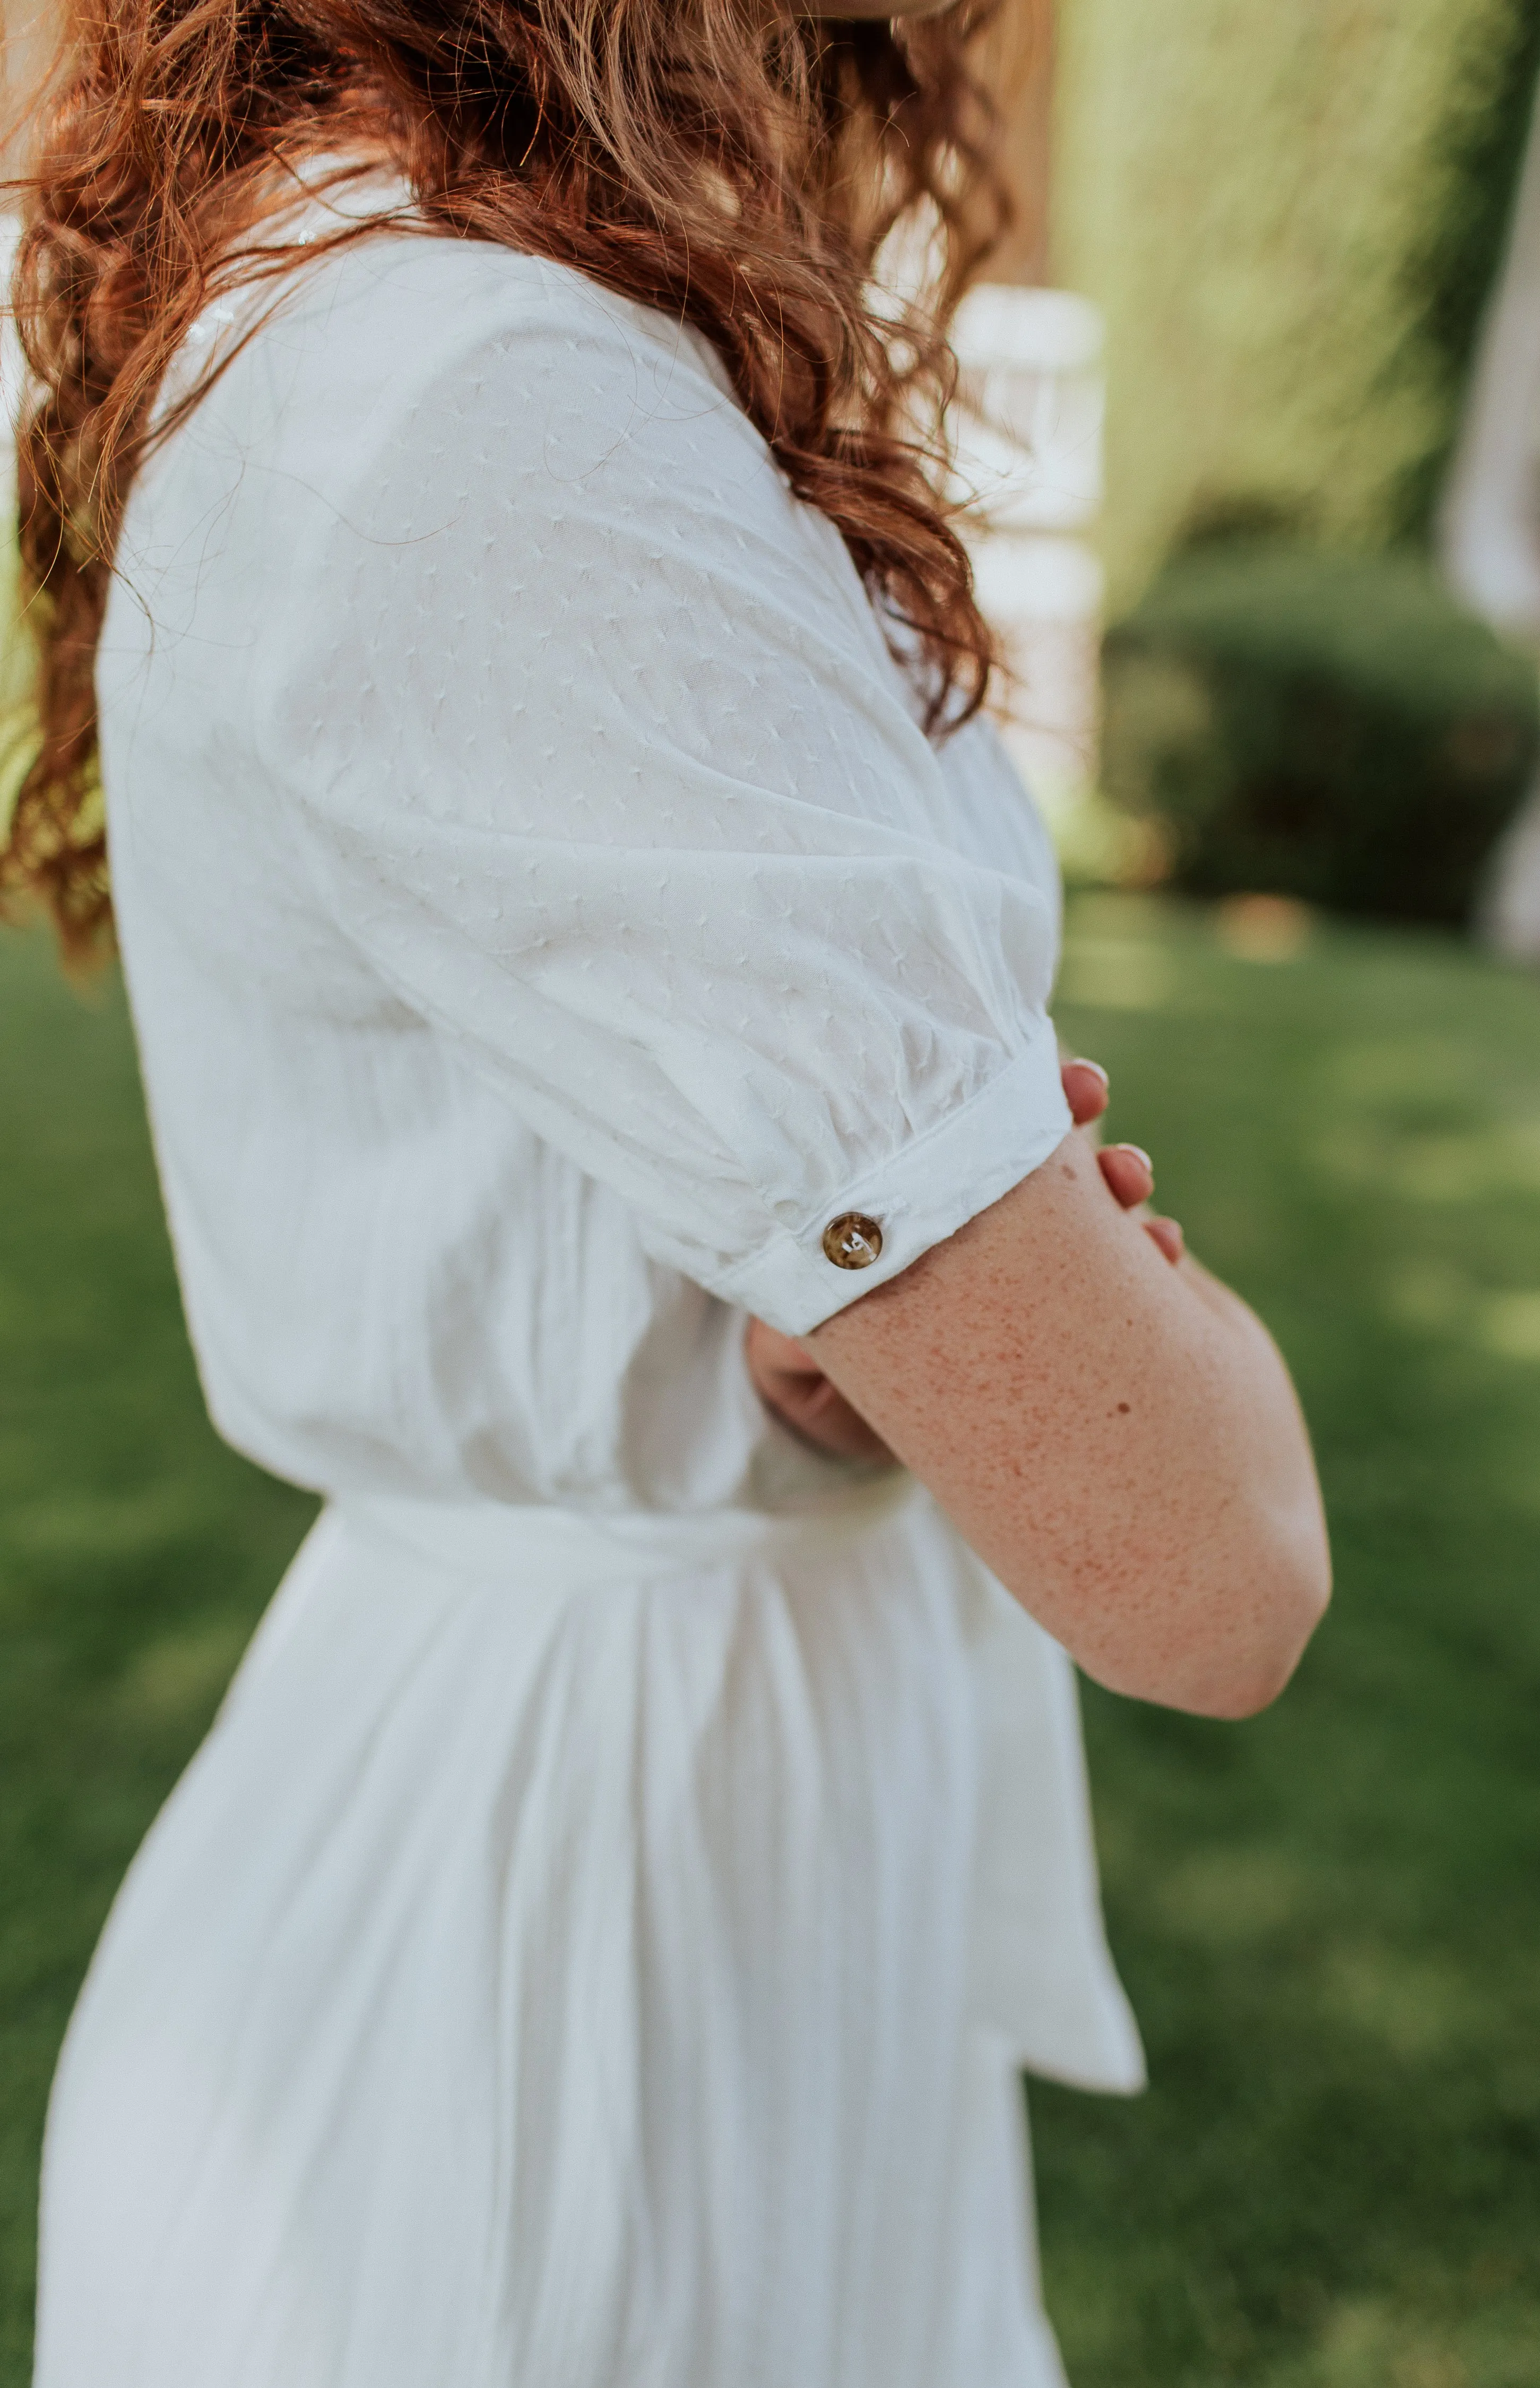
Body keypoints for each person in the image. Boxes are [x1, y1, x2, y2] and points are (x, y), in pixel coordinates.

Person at [3, 0, 1330, 2378]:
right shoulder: (472, 391)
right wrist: (1123, 1333)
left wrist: (849, 1348)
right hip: (553, 2012)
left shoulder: (431, 311)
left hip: (718, 1875)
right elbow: (1209, 1568)